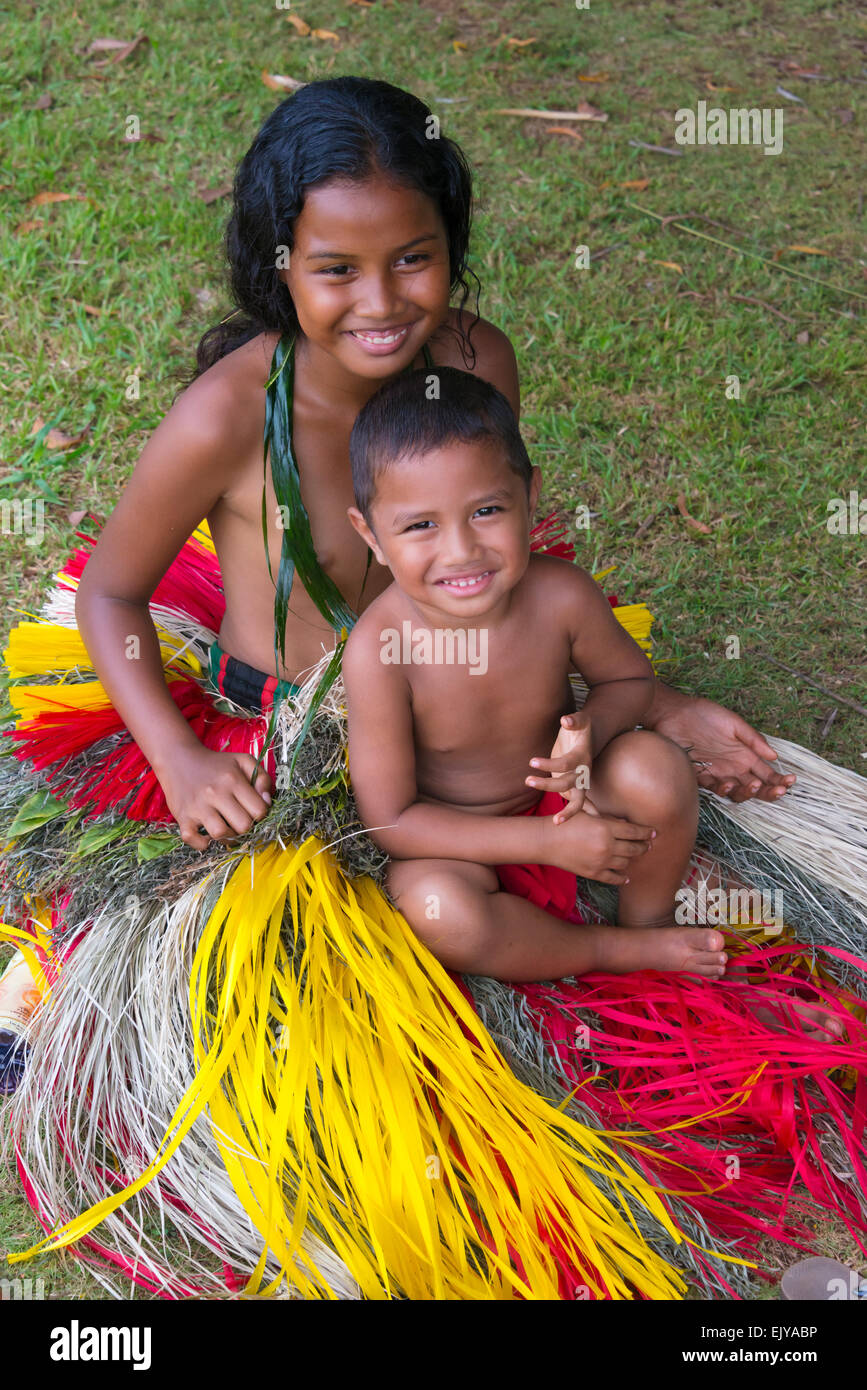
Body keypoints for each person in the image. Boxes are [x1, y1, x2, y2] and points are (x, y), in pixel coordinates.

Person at [72, 76, 794, 850]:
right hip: (289, 724)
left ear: (452, 245)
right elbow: (109, 595)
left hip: (468, 704)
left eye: (412, 258)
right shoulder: (226, 417)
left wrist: (646, 701)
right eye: (337, 269)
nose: (381, 302)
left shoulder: (477, 359)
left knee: (637, 827)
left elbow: (484, 564)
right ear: (278, 265)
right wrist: (179, 759)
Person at [343, 366, 730, 981]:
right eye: (421, 525)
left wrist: (590, 734)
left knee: (655, 771)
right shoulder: (380, 651)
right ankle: (611, 953)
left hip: (564, 795)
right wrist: (546, 845)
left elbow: (628, 684)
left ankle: (649, 921)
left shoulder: (561, 597)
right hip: (457, 837)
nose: (462, 550)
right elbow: (394, 822)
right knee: (435, 912)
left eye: (487, 510)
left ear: (531, 497)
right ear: (370, 534)